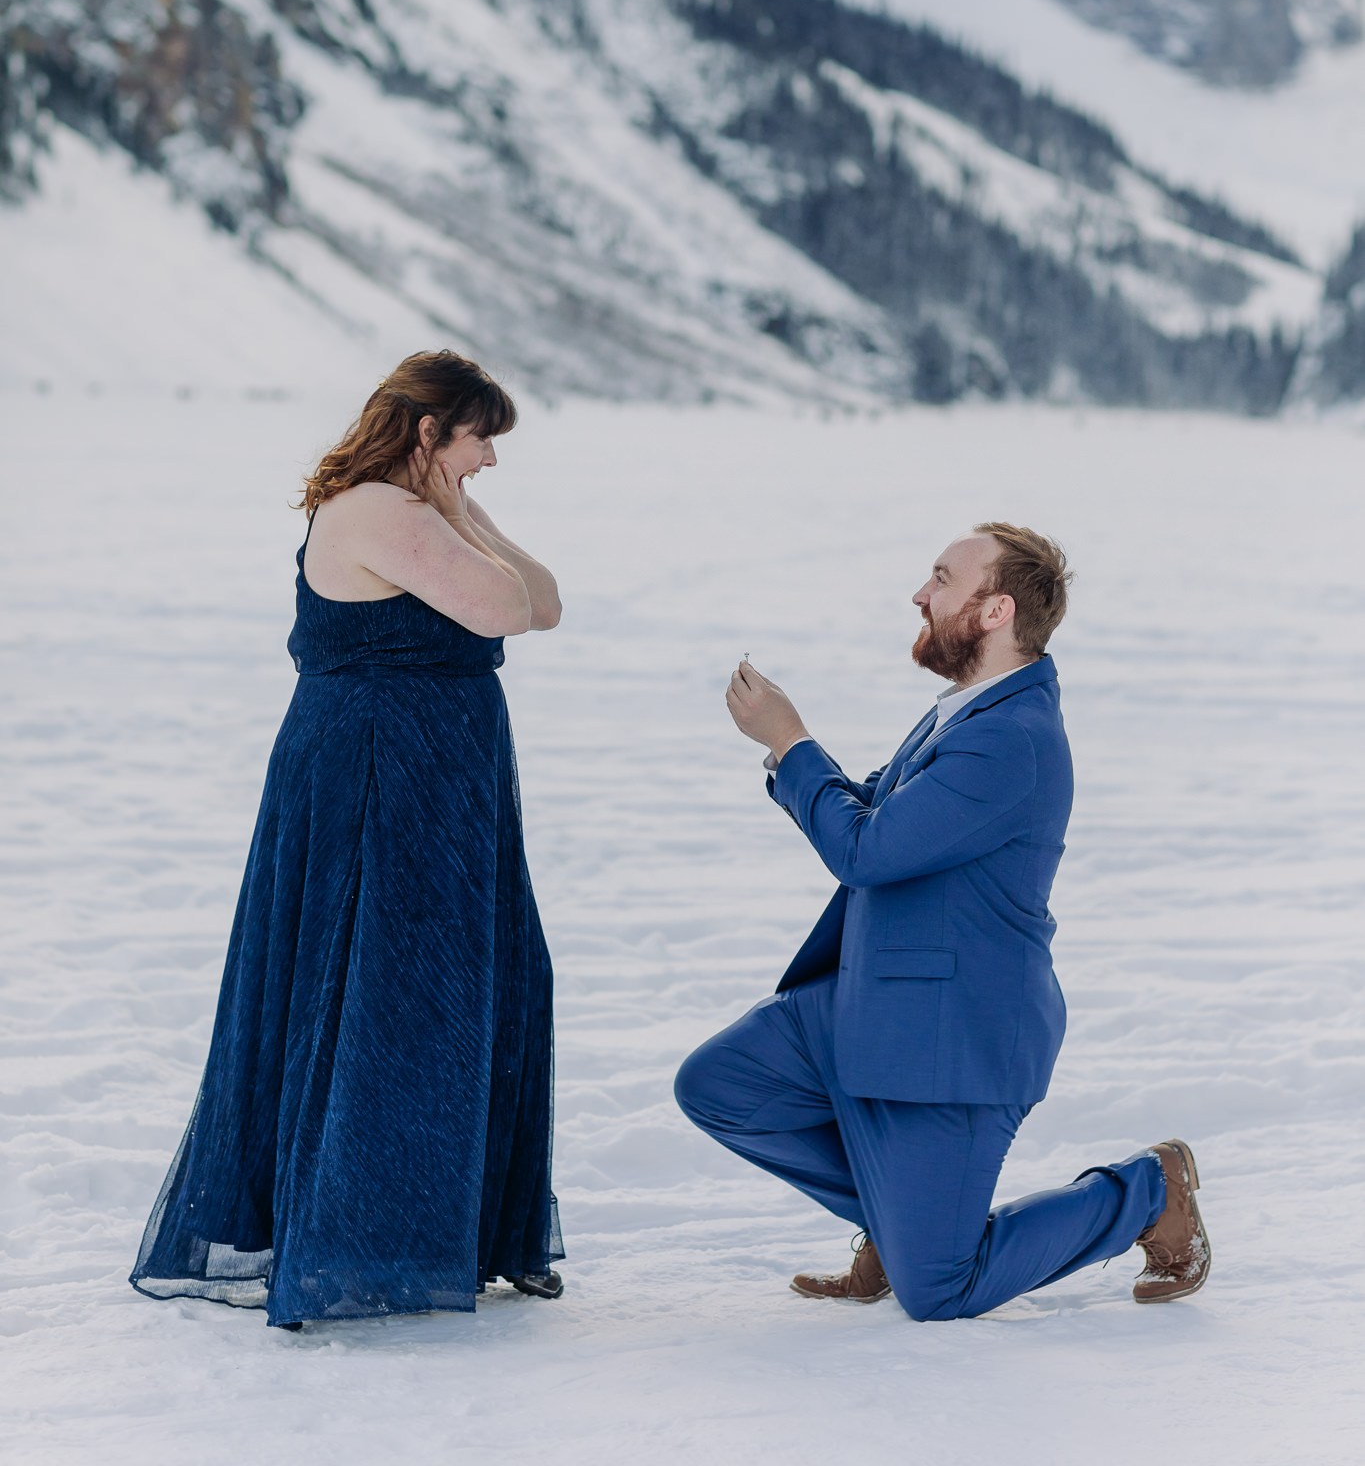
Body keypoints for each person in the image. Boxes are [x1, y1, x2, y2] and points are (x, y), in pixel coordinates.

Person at [675, 523, 1210, 1320]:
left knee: (939, 1290)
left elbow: (865, 850)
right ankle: (894, 1225)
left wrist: (791, 743)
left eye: (938, 578)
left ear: (994, 610)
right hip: (869, 1000)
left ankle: (1144, 1194)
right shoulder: (964, 709)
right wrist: (788, 759)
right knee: (720, 1086)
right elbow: (875, 814)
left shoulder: (1011, 739)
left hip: (950, 1038)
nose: (919, 594)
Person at [131, 350, 565, 1329]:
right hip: (376, 776)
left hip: (441, 782)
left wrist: (460, 501)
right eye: (477, 438)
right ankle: (360, 1239)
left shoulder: (427, 507)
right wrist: (449, 504)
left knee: (453, 990)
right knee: (376, 994)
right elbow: (501, 606)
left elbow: (545, 602)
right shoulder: (377, 508)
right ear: (426, 431)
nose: (490, 457)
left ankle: (437, 1228)